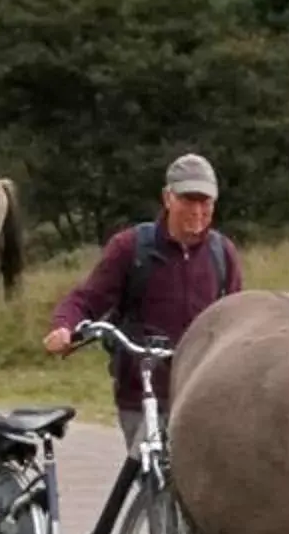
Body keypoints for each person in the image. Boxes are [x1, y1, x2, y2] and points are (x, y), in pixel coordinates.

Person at [46, 152, 245, 453]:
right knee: (152, 482)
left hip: (200, 394)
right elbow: (87, 299)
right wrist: (64, 328)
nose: (197, 210)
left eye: (205, 202)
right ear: (168, 198)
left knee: (199, 492)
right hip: (143, 391)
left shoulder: (222, 253)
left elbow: (238, 317)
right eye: (188, 200)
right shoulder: (131, 248)